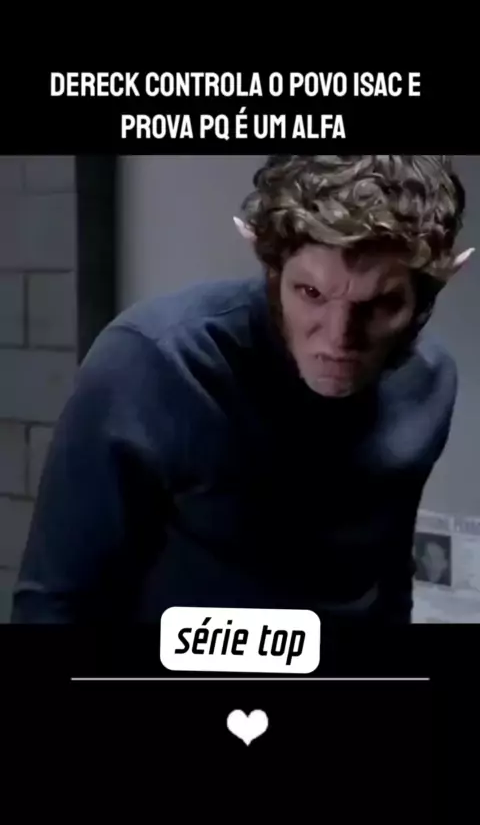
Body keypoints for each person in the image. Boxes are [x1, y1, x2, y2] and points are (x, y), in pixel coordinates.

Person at [11, 155, 473, 624]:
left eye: (381, 304)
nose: (339, 340)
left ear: (428, 293)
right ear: (271, 268)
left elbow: (389, 576)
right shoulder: (152, 362)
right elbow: (53, 603)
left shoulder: (430, 383)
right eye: (311, 293)